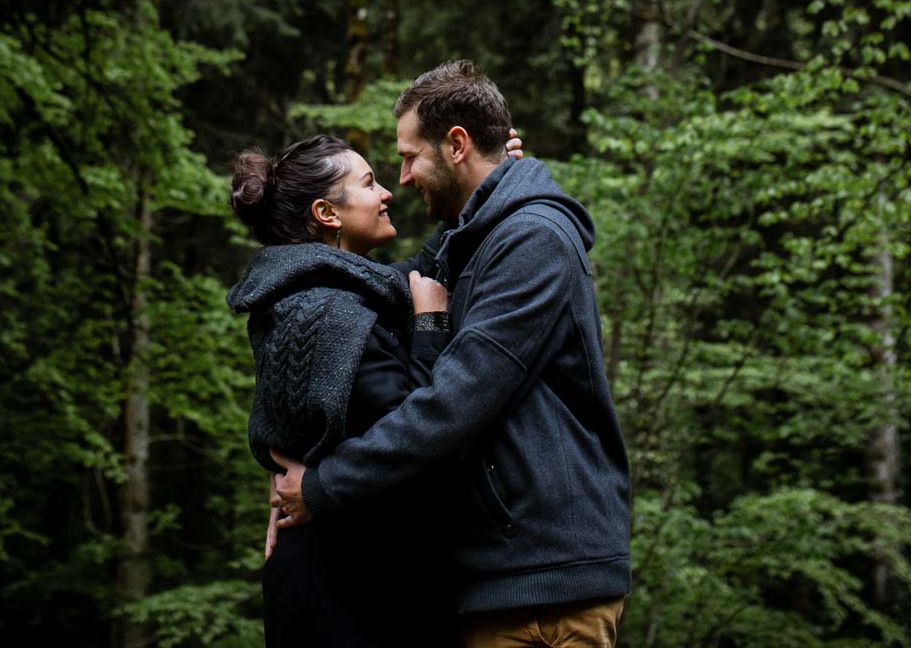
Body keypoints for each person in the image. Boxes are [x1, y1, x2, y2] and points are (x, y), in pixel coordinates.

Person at [270, 60, 632, 648]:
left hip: (544, 586)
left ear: (456, 144)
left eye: (411, 156)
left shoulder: (532, 240)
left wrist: (321, 488)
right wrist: (284, 447)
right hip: (501, 577)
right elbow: (392, 295)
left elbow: (452, 404)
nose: (403, 178)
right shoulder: (481, 240)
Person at [226, 133, 460, 647]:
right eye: (370, 182)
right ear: (327, 213)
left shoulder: (305, 294)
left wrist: (493, 177)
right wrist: (430, 324)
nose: (387, 193)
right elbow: (415, 431)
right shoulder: (333, 314)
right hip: (346, 583)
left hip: (328, 564)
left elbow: (427, 262)